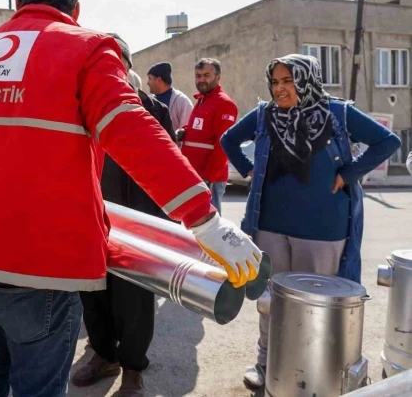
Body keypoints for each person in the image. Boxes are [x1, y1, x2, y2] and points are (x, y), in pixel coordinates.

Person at [0, 0, 263, 397]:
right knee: (37, 387)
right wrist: (205, 219)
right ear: (76, 10)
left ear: (17, 2)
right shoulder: (85, 49)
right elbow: (134, 131)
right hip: (38, 267)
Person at [220, 54, 400, 391]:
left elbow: (388, 141)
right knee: (270, 301)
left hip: (322, 228)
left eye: (287, 81)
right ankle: (266, 363)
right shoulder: (265, 115)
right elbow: (228, 139)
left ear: (306, 80)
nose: (279, 89)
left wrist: (349, 174)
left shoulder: (337, 113)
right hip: (270, 224)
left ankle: (313, 369)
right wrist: (248, 169)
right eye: (275, 82)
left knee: (317, 306)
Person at [71, 34, 176, 396]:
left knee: (134, 301)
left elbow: (169, 167)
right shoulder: (79, 108)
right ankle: (103, 354)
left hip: (137, 225)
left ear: (128, 69)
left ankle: (133, 367)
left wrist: (166, 228)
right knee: (93, 294)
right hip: (92, 219)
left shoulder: (153, 112)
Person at [178, 58, 237, 214]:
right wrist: (183, 131)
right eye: (198, 75)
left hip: (209, 179)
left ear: (218, 77)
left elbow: (223, 145)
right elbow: (200, 129)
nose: (201, 79)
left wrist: (208, 177)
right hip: (195, 174)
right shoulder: (202, 100)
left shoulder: (224, 104)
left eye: (206, 75)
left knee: (209, 226)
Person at [146, 61, 193, 129]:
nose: (147, 83)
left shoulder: (182, 102)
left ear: (159, 80)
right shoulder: (148, 102)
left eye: (150, 78)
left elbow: (187, 131)